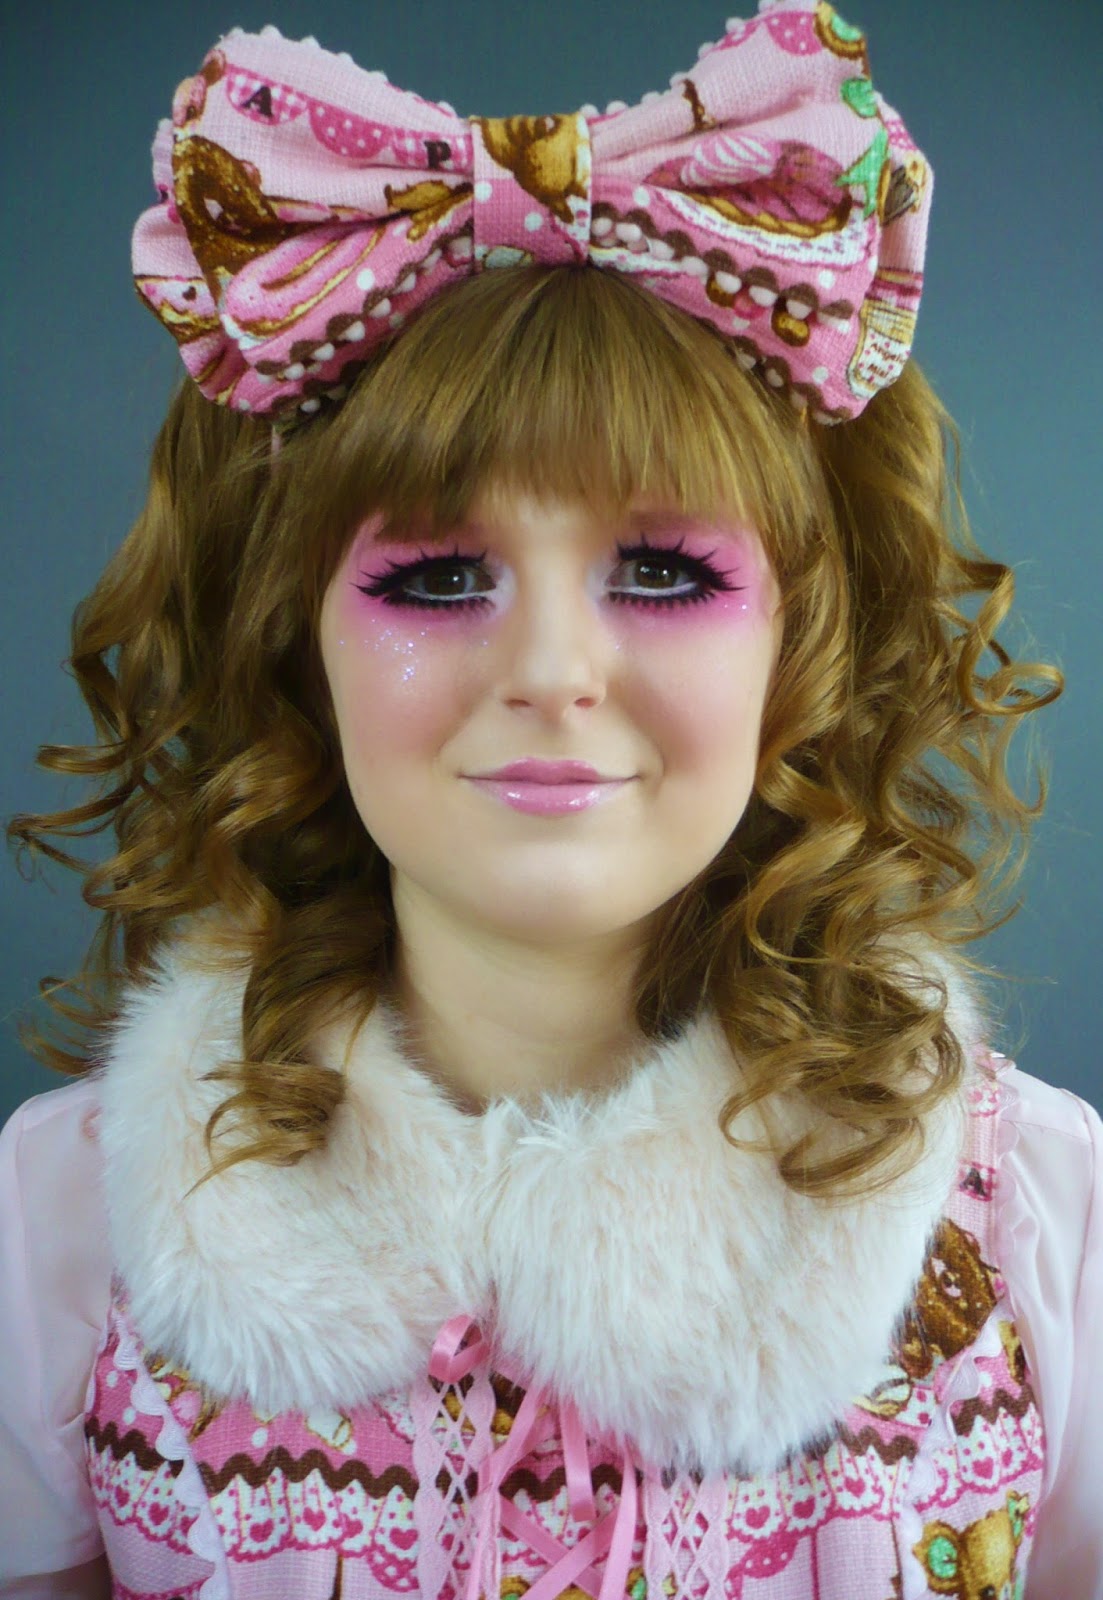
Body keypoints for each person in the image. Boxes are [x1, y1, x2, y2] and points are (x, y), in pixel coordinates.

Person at [2, 3, 1099, 1595]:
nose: (552, 672)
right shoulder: (59, 1227)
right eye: (437, 577)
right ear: (298, 640)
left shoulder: (1044, 1220)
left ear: (798, 640)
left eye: (662, 571)